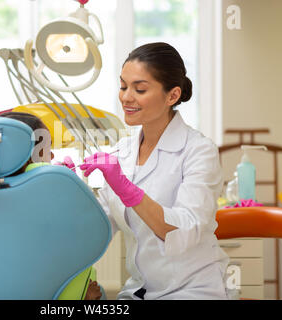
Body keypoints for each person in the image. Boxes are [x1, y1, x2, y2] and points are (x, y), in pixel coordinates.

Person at [79, 42, 230, 300]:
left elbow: (184, 231)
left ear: (172, 96)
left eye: (139, 89)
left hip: (193, 290)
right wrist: (63, 189)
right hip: (139, 291)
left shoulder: (198, 151)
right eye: (123, 86)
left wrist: (128, 190)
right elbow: (96, 227)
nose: (126, 97)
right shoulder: (122, 152)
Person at [0, 111, 102, 300]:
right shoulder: (48, 200)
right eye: (47, 147)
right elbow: (77, 248)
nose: (52, 153)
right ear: (27, 156)